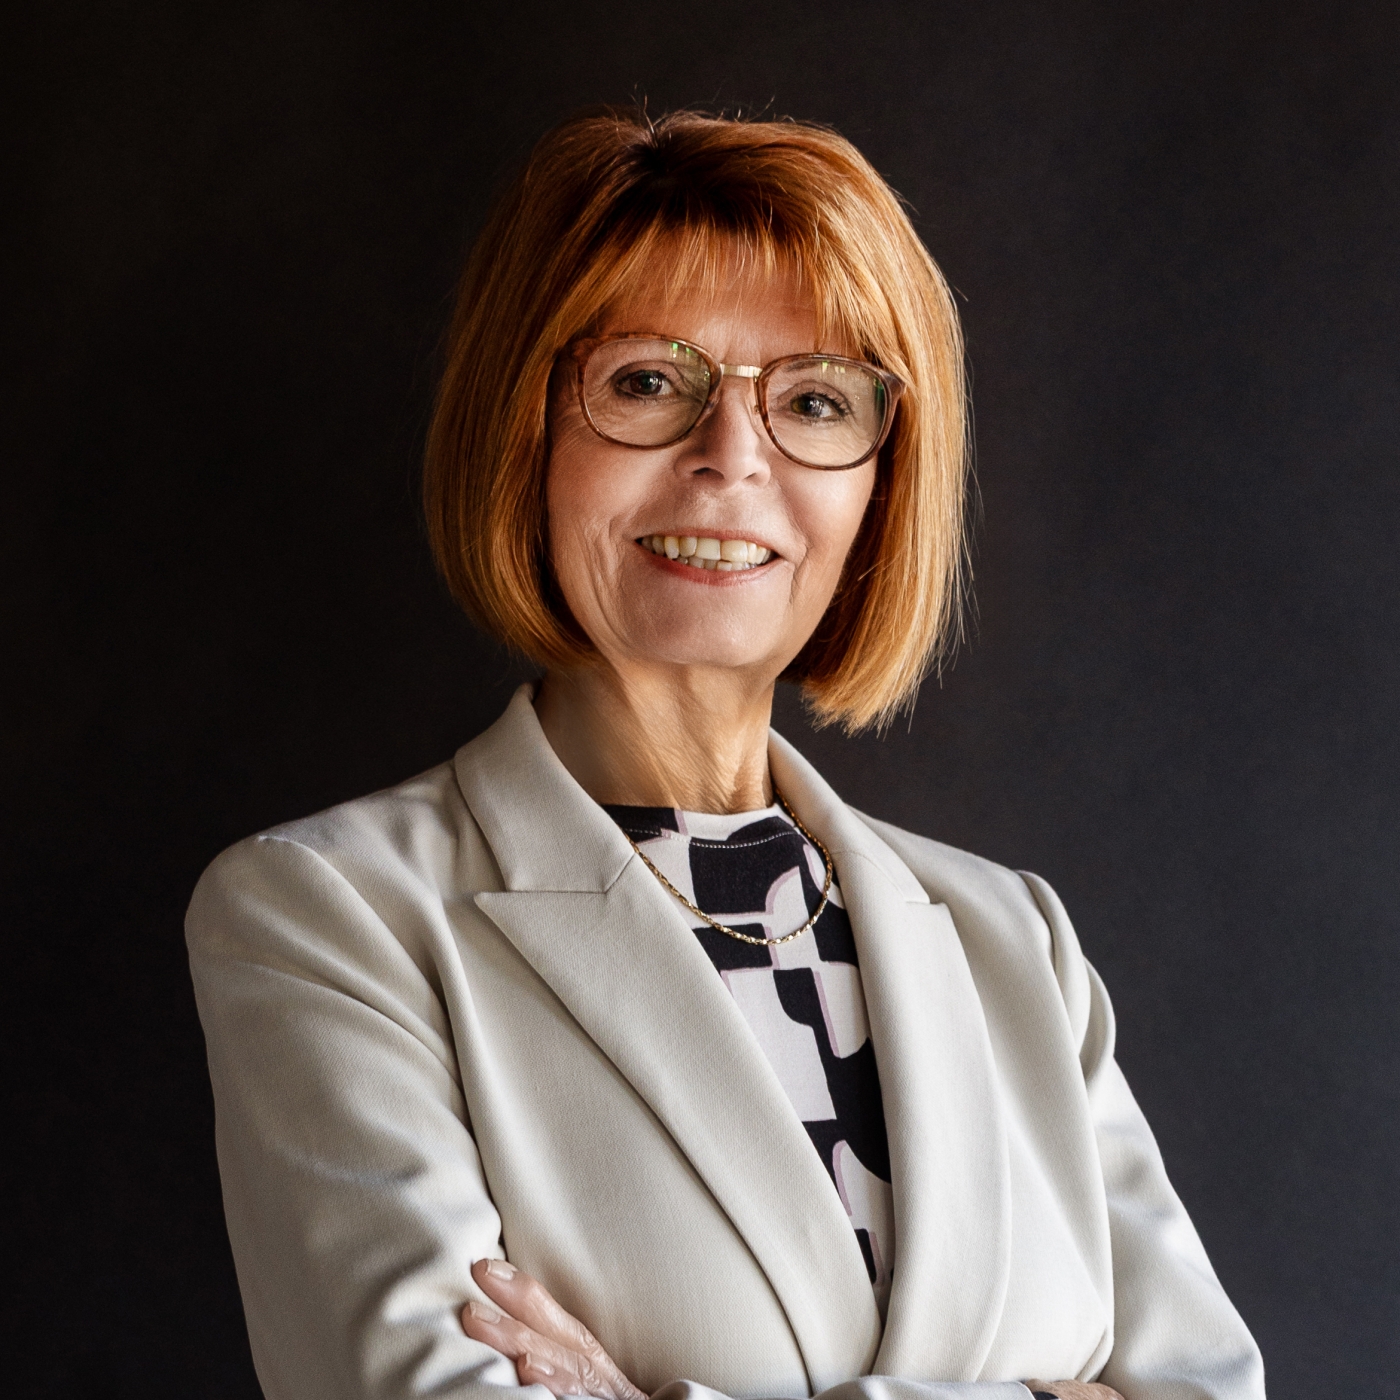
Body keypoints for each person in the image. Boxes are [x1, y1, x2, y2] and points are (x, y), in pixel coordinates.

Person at [186, 108, 1265, 1400]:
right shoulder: (331, 917)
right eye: (648, 382)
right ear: (522, 428)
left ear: (880, 487)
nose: (731, 461)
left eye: (814, 400)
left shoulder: (1013, 942)